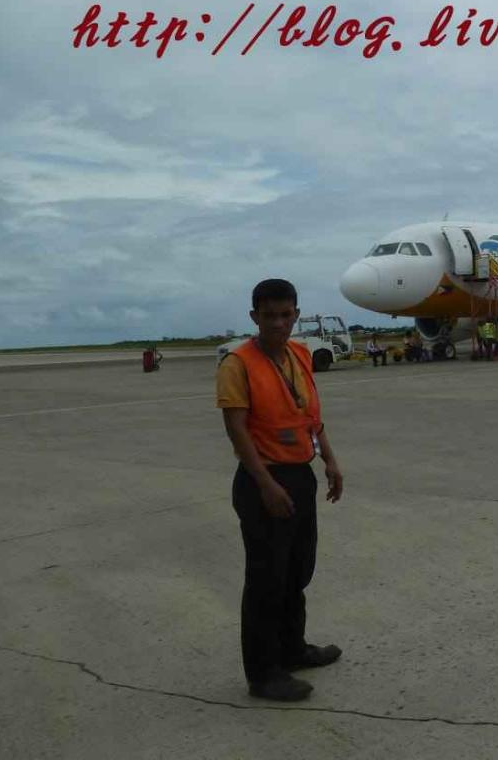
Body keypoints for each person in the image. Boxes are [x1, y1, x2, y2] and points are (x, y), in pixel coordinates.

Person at [216, 278, 344, 702]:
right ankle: (263, 673)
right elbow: (236, 430)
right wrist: (266, 484)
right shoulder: (238, 364)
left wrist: (329, 459)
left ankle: (292, 649)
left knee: (297, 571)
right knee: (266, 580)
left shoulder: (300, 355)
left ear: (296, 314)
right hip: (263, 481)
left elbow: (310, 417)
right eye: (268, 315)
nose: (278, 323)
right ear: (254, 316)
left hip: (299, 475)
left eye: (286, 314)